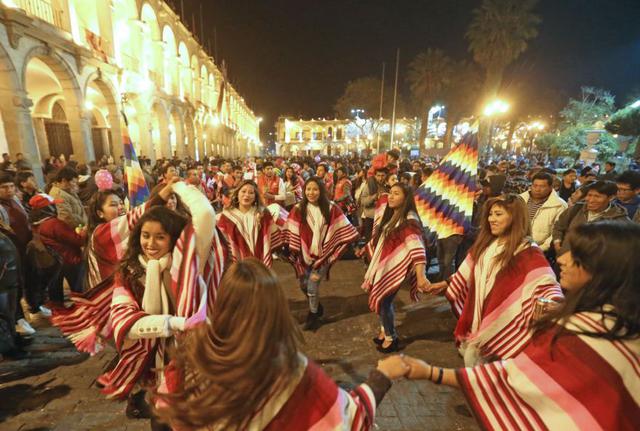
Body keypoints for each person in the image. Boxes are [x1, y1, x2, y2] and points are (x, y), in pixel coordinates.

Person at [400, 221, 640, 431]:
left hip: (492, 324)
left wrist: (427, 372)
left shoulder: (583, 332)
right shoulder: (619, 325)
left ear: (608, 268)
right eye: (490, 213)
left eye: (577, 255)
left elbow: (518, 378)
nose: (561, 259)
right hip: (482, 320)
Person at [156, 259, 409, 430]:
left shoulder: (190, 358)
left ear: (222, 306)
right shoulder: (292, 372)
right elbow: (347, 418)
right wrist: (382, 376)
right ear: (276, 308)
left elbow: (167, 409)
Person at [98, 181, 224, 429]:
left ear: (173, 238)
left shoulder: (186, 261)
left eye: (160, 237)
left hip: (194, 362)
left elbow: (206, 214)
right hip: (155, 367)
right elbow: (126, 321)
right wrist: (179, 323)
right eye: (145, 236)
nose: (151, 244)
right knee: (162, 423)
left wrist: (179, 186)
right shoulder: (130, 272)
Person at [425, 194, 563, 366]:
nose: (491, 219)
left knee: (488, 367)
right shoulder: (487, 243)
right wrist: (445, 283)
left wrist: (554, 302)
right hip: (479, 318)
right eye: (490, 214)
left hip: (500, 321)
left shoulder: (526, 250)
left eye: (498, 214)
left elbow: (545, 282)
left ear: (515, 217)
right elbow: (469, 269)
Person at [359, 183, 429, 353]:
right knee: (384, 302)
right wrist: (367, 247)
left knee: (384, 302)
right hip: (384, 266)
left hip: (394, 269)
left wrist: (421, 276)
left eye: (396, 194)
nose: (390, 196)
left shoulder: (409, 220)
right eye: (390, 193)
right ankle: (384, 331)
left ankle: (391, 337)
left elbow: (416, 248)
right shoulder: (394, 214)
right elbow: (381, 237)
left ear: (406, 198)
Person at [285, 177, 359, 330]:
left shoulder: (331, 208)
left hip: (324, 256)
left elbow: (345, 227)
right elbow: (290, 229)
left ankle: (313, 315)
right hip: (304, 256)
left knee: (312, 286)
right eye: (308, 189)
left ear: (321, 191)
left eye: (315, 189)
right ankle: (318, 308)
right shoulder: (298, 208)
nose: (311, 193)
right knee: (303, 285)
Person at [216, 180, 284, 268]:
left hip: (259, 261)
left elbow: (272, 235)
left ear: (255, 196)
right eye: (243, 191)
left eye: (251, 193)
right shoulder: (227, 216)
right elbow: (222, 242)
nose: (247, 195)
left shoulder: (263, 213)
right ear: (237, 193)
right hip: (237, 264)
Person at [552, 180, 629, 255]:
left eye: (597, 196)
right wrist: (557, 243)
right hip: (563, 261)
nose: (591, 200)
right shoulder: (576, 209)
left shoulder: (620, 222)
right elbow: (559, 226)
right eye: (589, 195)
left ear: (611, 197)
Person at [520, 172, 567, 253]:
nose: (537, 189)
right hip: (515, 244)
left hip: (538, 249)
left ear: (550, 187)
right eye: (535, 186)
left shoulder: (559, 205)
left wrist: (540, 249)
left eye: (542, 186)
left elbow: (556, 231)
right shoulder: (520, 199)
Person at [360, 167, 387, 243]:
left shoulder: (389, 186)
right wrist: (373, 197)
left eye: (383, 175)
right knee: (369, 241)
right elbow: (363, 201)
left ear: (386, 176)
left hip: (383, 219)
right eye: (378, 175)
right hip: (371, 218)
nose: (380, 178)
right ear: (375, 176)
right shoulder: (369, 186)